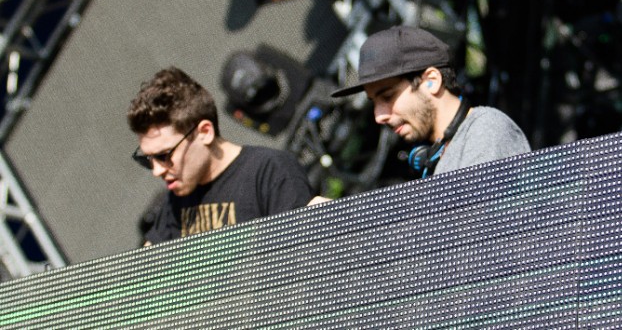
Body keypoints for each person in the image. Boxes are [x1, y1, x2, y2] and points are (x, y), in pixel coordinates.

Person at [128, 66, 316, 245]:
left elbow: (300, 257)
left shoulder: (270, 172)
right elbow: (150, 262)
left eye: (163, 156)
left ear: (205, 132)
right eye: (147, 160)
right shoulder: (175, 204)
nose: (157, 171)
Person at [332, 25, 531, 176]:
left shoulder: (487, 129)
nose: (379, 116)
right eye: (374, 102)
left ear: (431, 81)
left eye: (387, 96)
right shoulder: (441, 154)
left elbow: (475, 218)